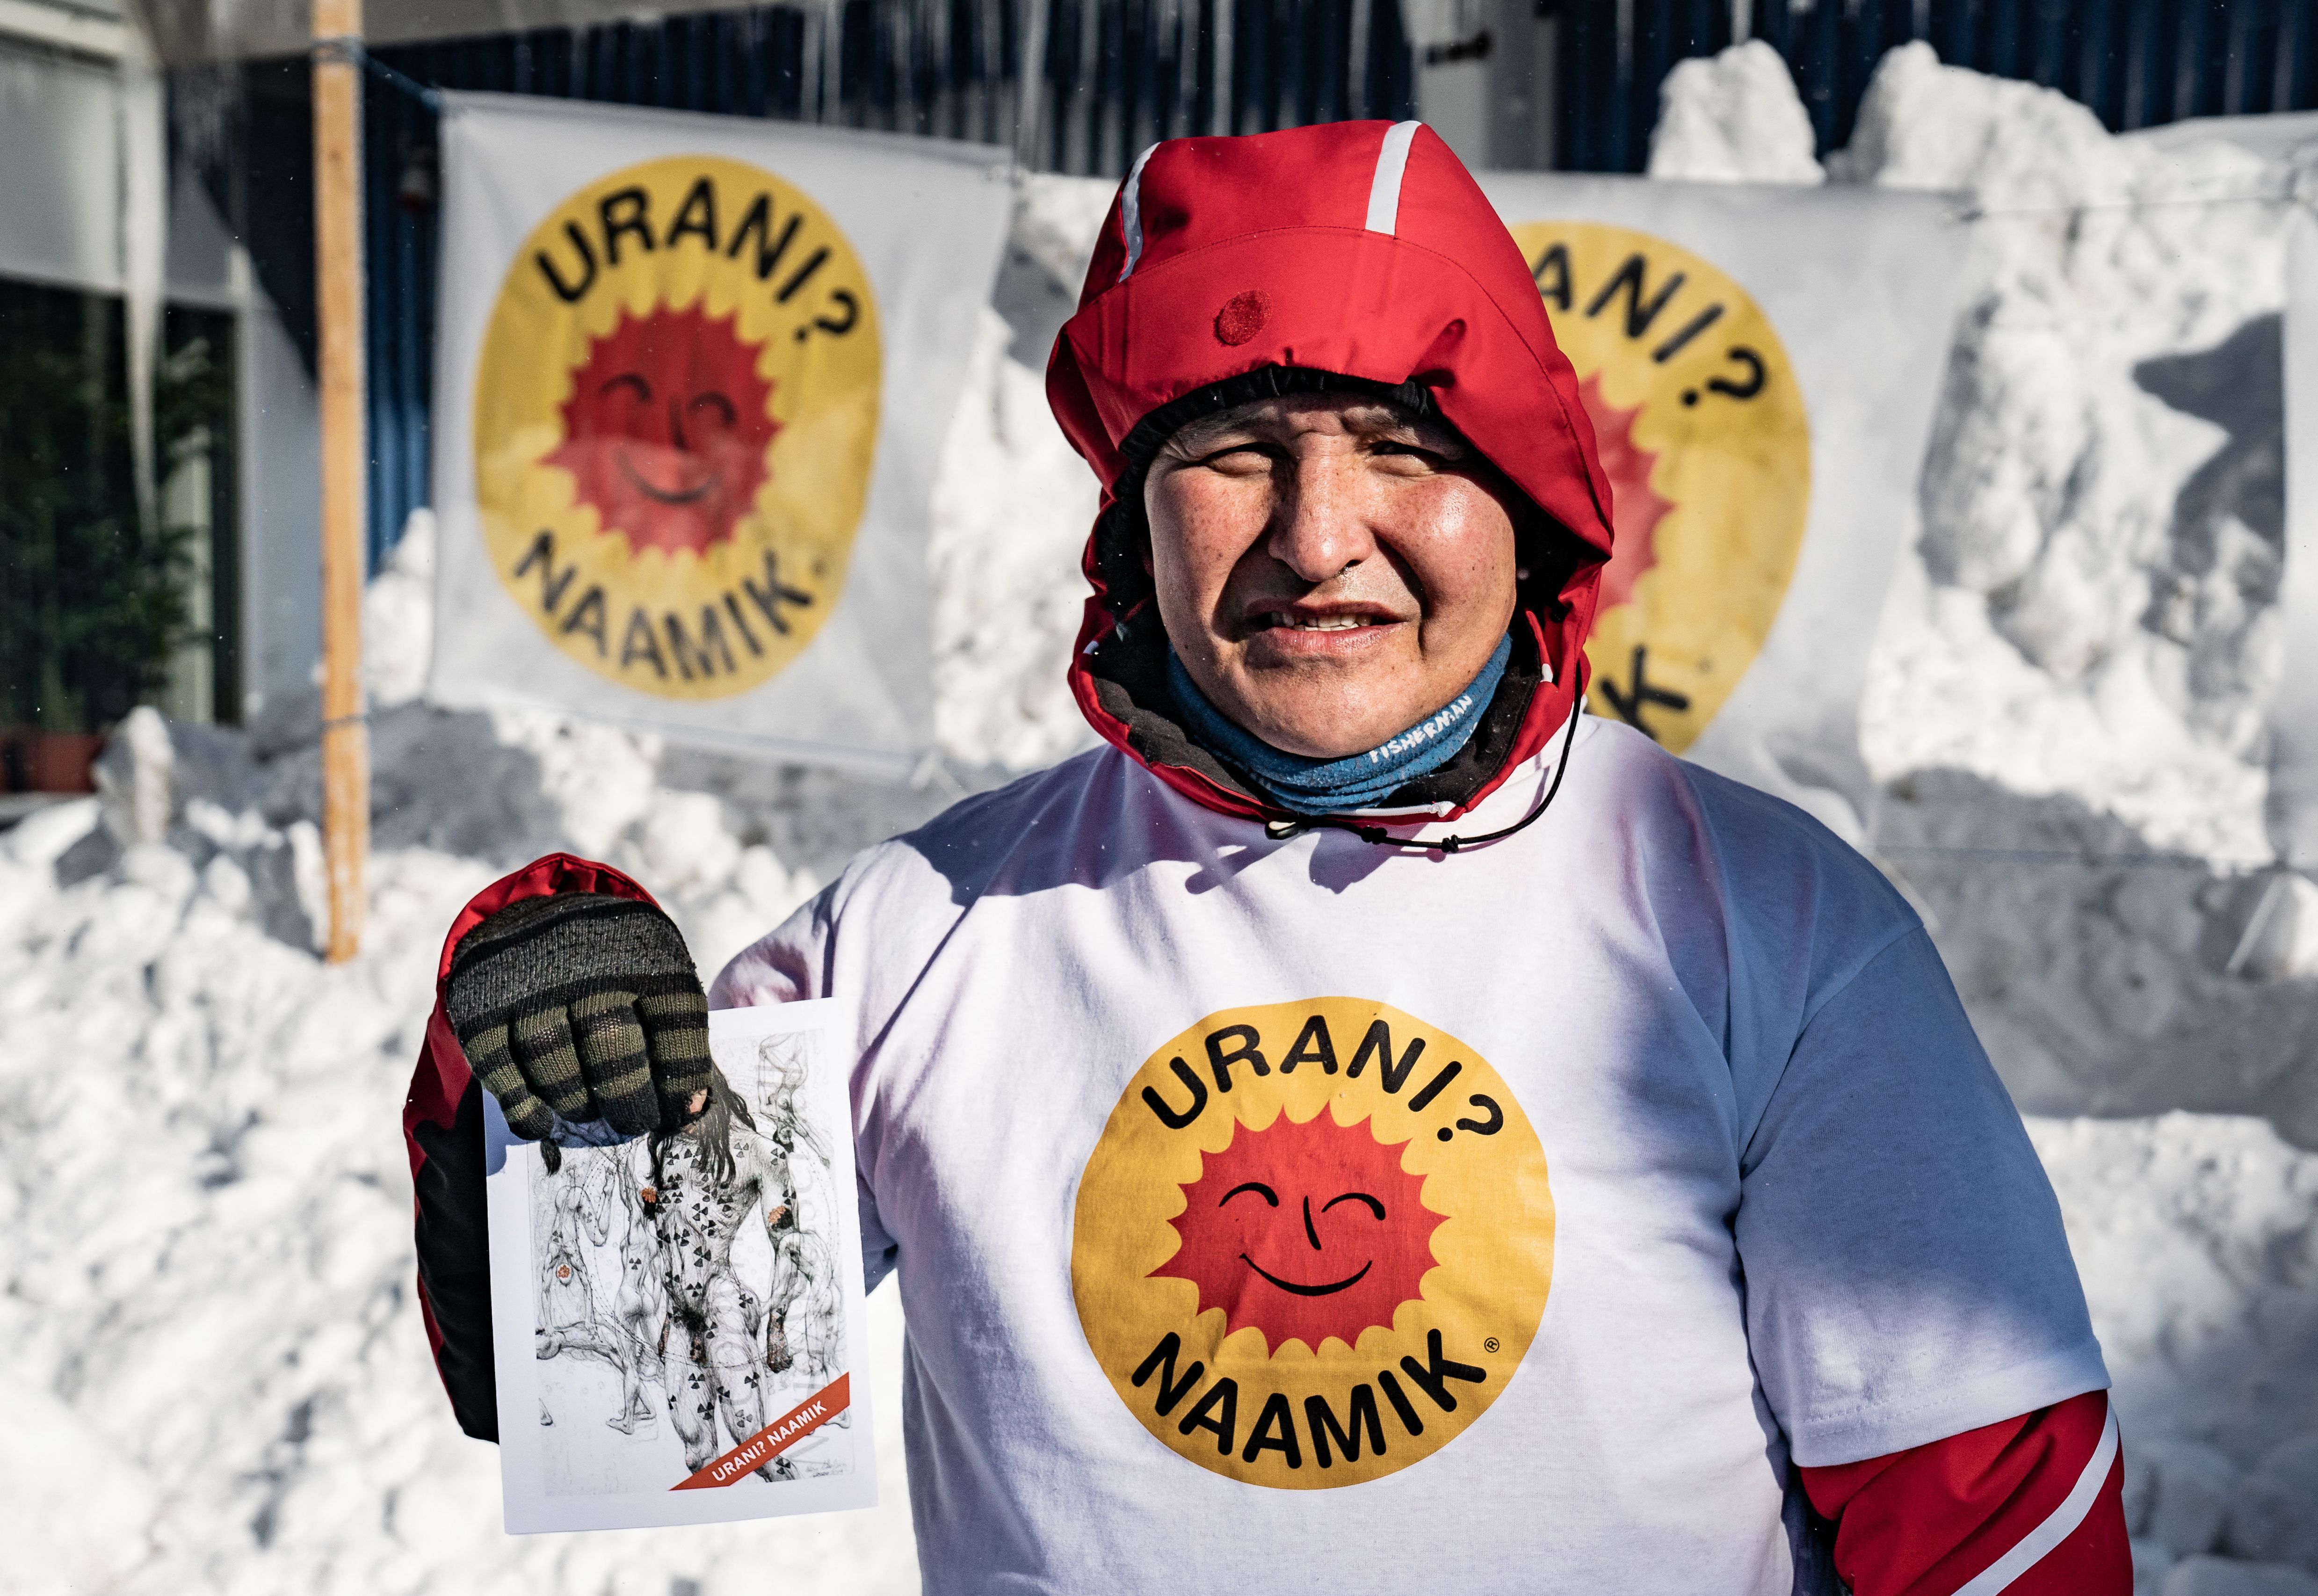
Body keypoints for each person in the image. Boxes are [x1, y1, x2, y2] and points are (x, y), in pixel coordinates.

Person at [405, 120, 2128, 1593]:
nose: (1317, 537)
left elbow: (1988, 1512)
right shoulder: (930, 931)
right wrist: (546, 1057)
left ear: (1524, 498)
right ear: (1131, 516)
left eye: (1407, 447)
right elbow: (632, 1379)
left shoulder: (1761, 916)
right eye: (1234, 451)